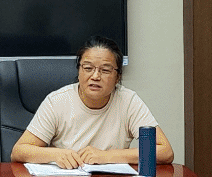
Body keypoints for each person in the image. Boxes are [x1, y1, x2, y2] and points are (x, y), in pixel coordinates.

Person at [10, 36, 175, 169]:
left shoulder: (128, 101)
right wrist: (57, 154)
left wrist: (106, 157)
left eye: (105, 70)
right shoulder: (57, 101)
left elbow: (165, 151)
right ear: (79, 70)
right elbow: (19, 151)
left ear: (118, 77)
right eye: (88, 68)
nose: (95, 76)